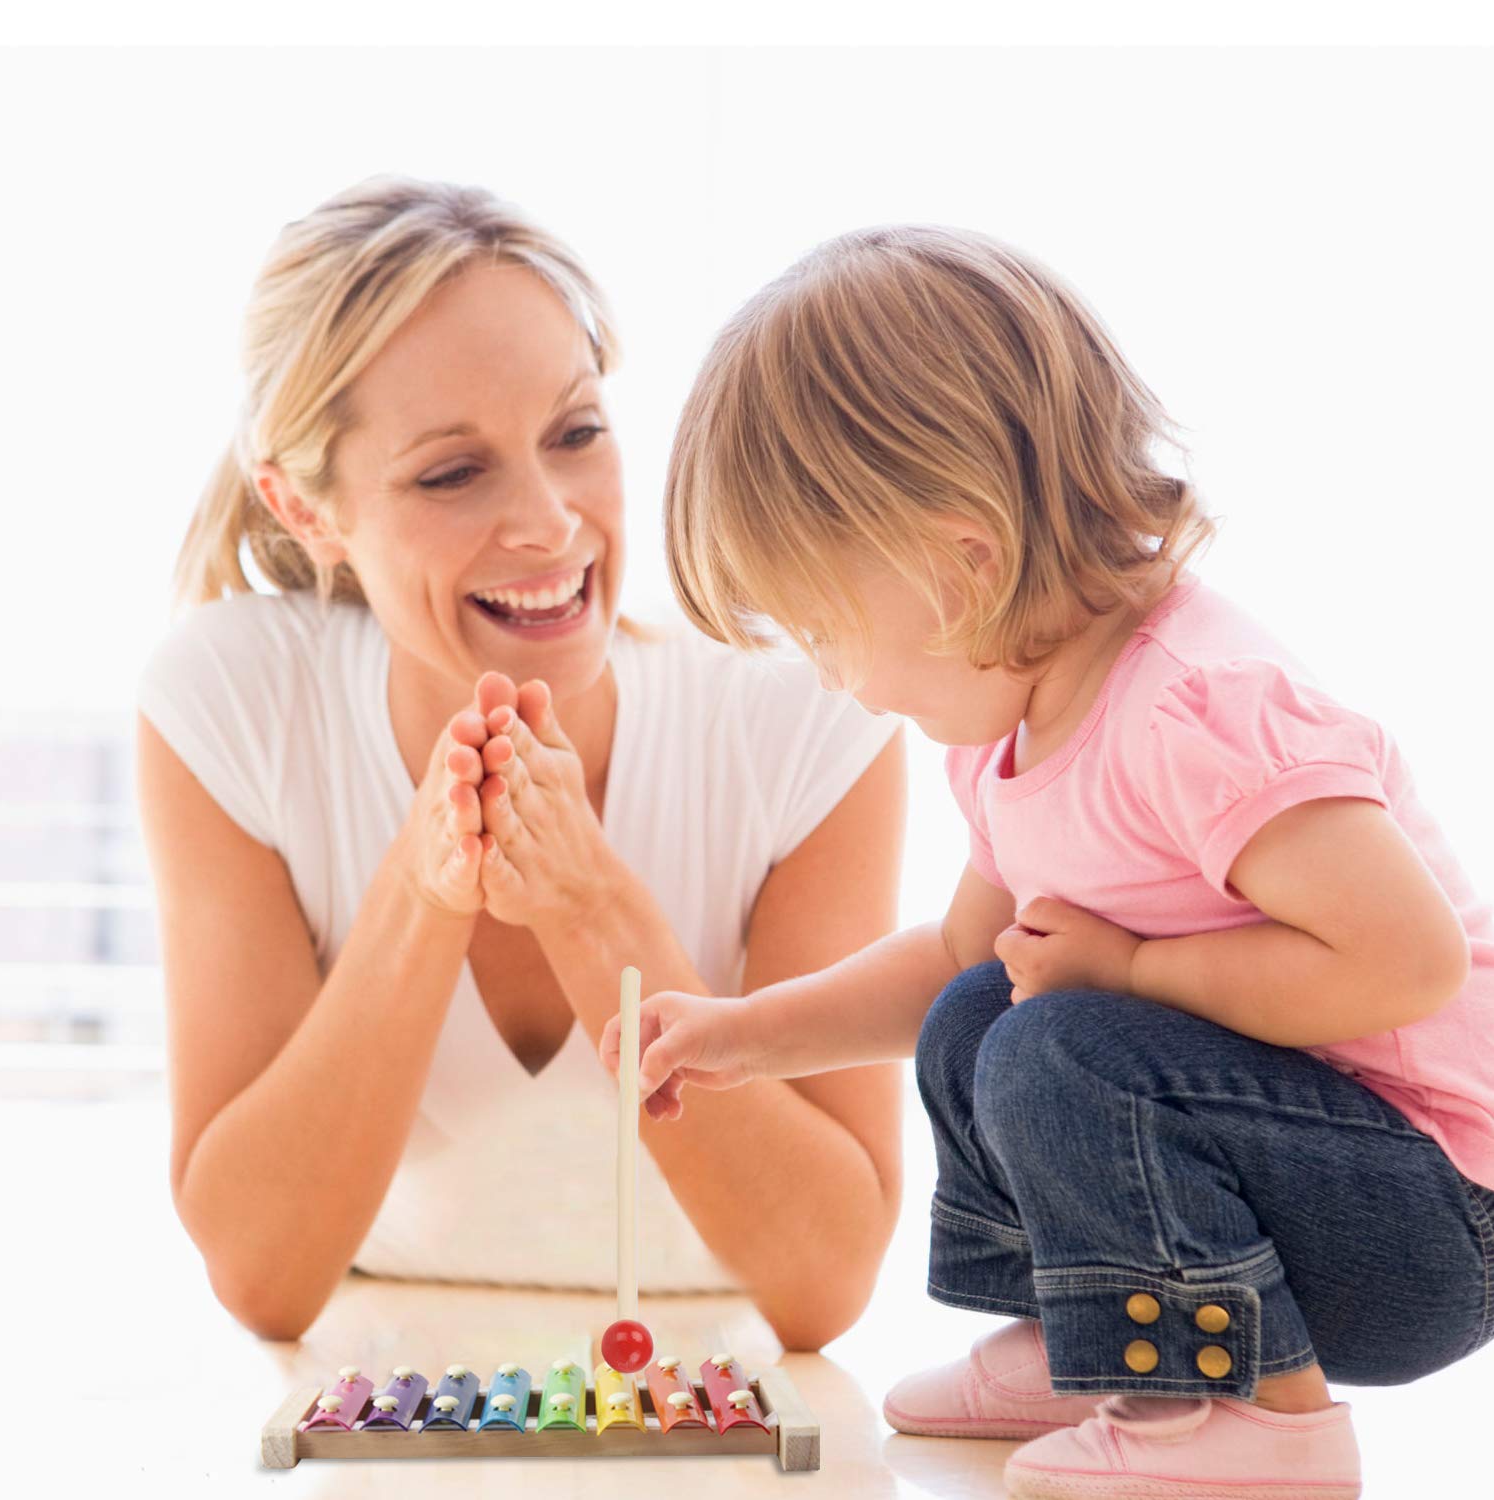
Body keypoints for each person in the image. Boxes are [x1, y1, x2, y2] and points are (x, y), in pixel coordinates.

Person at [605, 224, 1494, 1499]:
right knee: (991, 1008)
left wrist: (1133, 965)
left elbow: (1402, 961)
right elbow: (963, 961)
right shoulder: (1007, 734)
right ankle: (1091, 1342)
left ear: (961, 566)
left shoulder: (1197, 712)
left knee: (1055, 1035)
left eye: (819, 623)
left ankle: (1270, 1419)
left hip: (1432, 1211)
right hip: (1287, 1172)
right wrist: (750, 1037)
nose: (824, 673)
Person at [134, 178, 907, 1347]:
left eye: (576, 434)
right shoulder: (233, 705)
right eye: (452, 473)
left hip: (702, 1397)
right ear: (306, 509)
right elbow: (263, 1275)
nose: (549, 522)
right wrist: (428, 884)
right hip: (390, 1379)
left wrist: (590, 905)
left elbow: (823, 1284)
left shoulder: (802, 717)